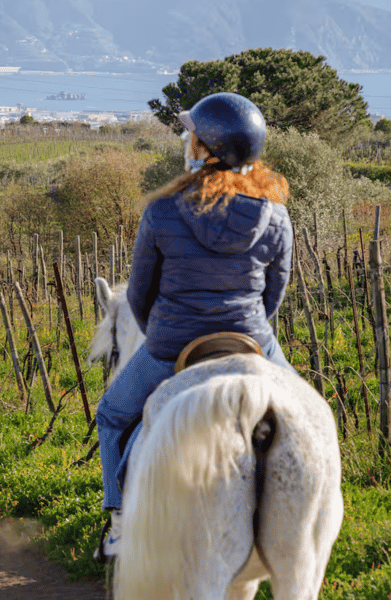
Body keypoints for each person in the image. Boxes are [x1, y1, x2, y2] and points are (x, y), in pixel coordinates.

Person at [94, 92, 295, 561]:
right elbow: (274, 296)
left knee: (112, 416)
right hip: (251, 342)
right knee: (309, 413)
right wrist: (250, 328)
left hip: (172, 344)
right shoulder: (277, 218)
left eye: (192, 135)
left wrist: (164, 336)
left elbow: (140, 295)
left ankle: (120, 523)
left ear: (205, 150)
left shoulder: (162, 211)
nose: (187, 140)